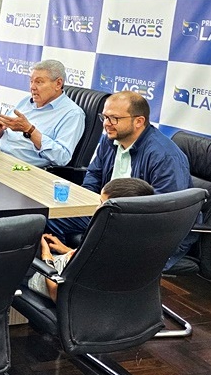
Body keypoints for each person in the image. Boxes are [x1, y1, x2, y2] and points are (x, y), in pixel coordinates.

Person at [45, 91, 195, 271]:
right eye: (105, 117)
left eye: (114, 118)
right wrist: (84, 203)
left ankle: (75, 277)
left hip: (142, 224)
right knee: (47, 218)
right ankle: (62, 272)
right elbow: (94, 175)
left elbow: (166, 209)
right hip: (106, 211)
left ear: (138, 121)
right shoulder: (111, 139)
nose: (107, 124)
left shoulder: (163, 156)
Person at [29, 178, 155, 301]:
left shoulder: (100, 244)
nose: (96, 208)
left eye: (102, 204)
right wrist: (67, 250)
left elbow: (57, 294)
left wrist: (47, 257)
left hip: (60, 286)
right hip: (121, 308)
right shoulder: (150, 242)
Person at [0, 59, 85, 168]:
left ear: (58, 83)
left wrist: (30, 130)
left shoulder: (72, 114)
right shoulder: (26, 102)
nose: (32, 87)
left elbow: (62, 157)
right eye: (31, 81)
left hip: (22, 169)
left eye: (39, 82)